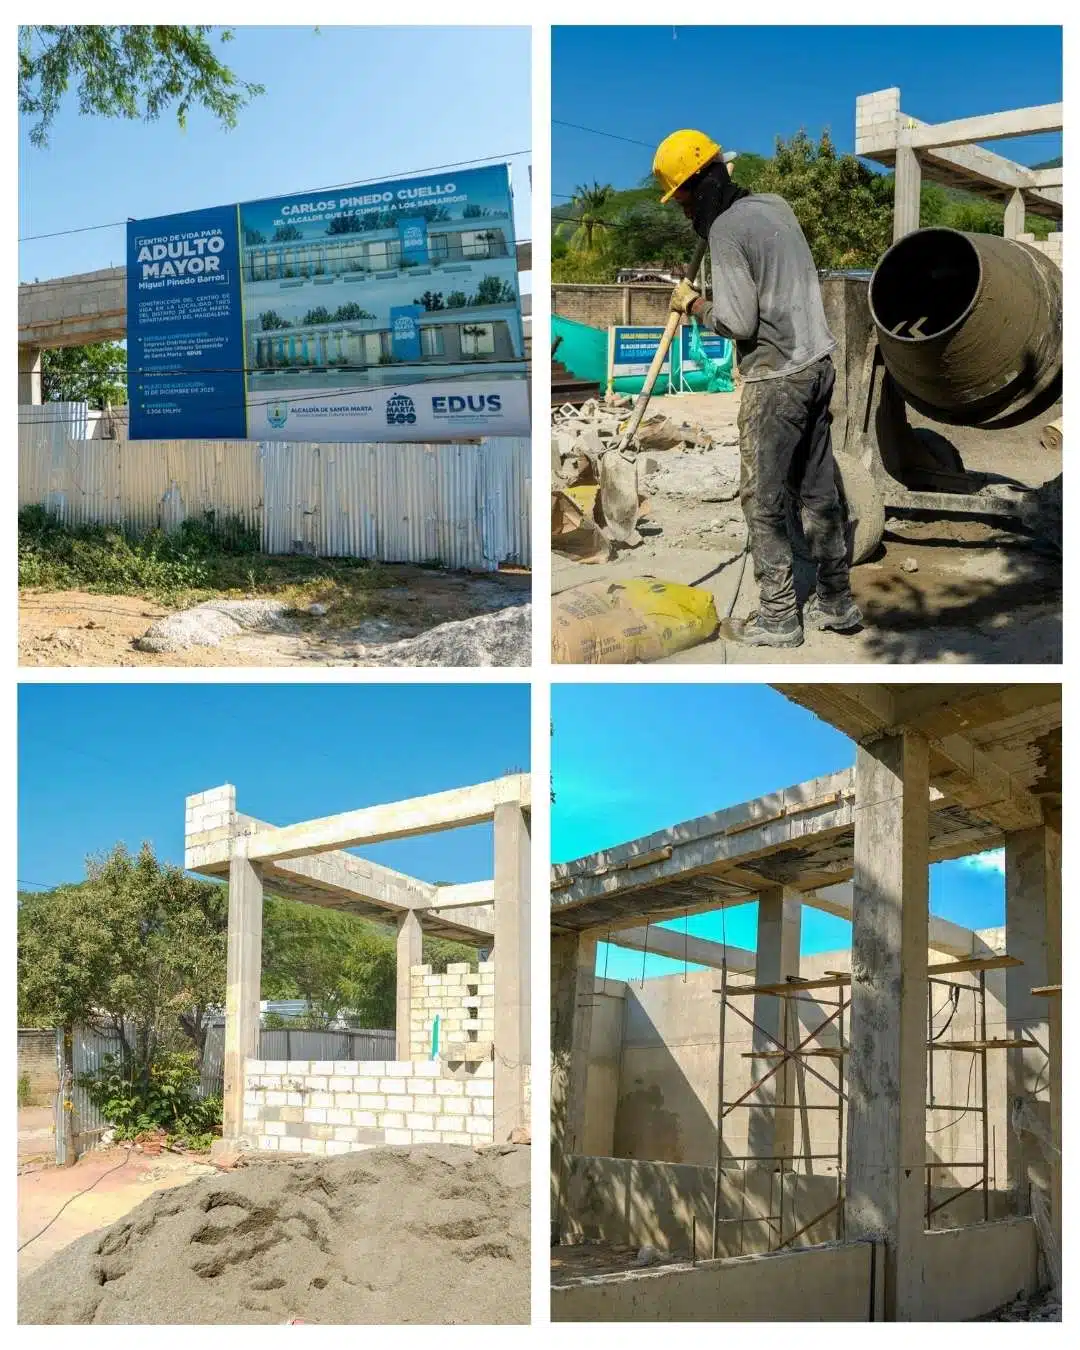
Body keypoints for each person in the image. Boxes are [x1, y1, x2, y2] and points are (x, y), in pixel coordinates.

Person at [653, 129, 862, 648]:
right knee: (818, 492)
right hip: (817, 362)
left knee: (761, 500)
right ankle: (836, 602)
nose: (680, 209)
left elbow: (740, 321)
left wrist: (695, 305)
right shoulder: (775, 205)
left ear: (696, 185)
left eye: (679, 196)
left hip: (777, 378)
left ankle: (778, 616)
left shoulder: (724, 231)